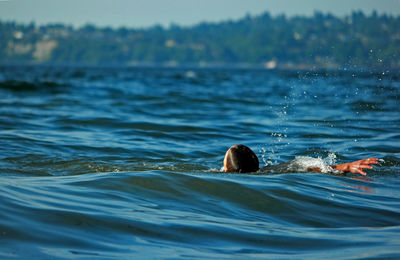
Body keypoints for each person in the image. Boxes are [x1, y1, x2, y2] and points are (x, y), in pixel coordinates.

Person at [223, 144, 379, 175]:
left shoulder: (223, 174)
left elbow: (312, 168)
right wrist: (345, 166)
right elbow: (311, 167)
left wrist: (346, 167)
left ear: (228, 170)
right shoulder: (269, 170)